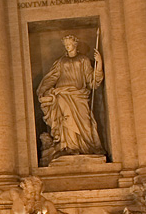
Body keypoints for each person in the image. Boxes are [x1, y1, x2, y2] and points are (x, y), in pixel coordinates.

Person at [36, 34, 104, 165]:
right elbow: (52, 78)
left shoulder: (83, 60)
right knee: (66, 120)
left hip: (79, 95)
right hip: (62, 94)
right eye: (66, 45)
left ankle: (85, 148)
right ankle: (68, 147)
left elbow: (92, 81)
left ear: (75, 44)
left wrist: (99, 62)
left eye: (70, 44)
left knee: (85, 121)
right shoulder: (60, 62)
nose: (68, 47)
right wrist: (43, 90)